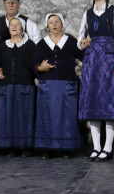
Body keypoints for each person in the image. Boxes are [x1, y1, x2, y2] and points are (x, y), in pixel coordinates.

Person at [77, 0, 114, 162]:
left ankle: (108, 147)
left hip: (108, 60)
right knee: (93, 102)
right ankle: (96, 147)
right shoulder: (87, 14)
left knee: (109, 101)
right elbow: (80, 38)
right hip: (91, 62)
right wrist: (82, 43)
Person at [31, 13, 85, 159]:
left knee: (67, 117)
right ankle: (48, 149)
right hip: (47, 86)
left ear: (62, 25)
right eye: (51, 23)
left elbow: (83, 57)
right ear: (47, 26)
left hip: (67, 85)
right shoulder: (42, 44)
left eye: (57, 22)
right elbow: (33, 64)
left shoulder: (71, 42)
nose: (54, 25)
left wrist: (86, 47)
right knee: (47, 116)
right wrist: (41, 68)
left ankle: (66, 148)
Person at [0, 17, 36, 157]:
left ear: (22, 28)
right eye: (11, 25)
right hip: (6, 86)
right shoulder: (2, 46)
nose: (14, 27)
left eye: (17, 25)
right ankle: (10, 146)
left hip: (25, 86)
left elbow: (35, 65)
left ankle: (25, 147)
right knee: (7, 117)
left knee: (24, 117)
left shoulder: (29, 45)